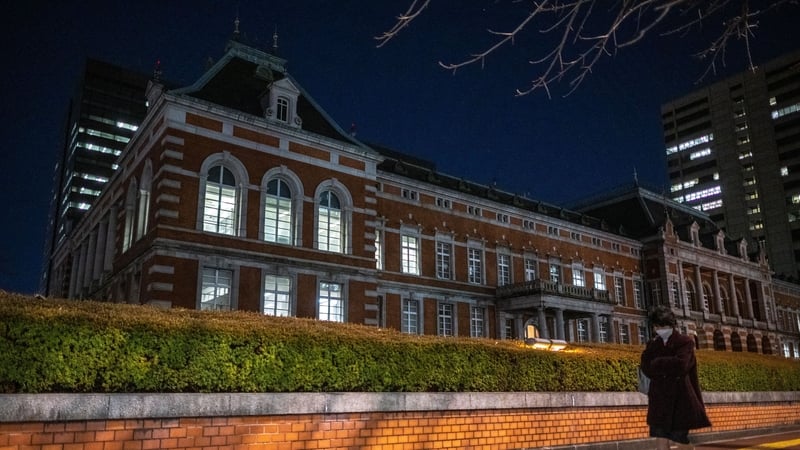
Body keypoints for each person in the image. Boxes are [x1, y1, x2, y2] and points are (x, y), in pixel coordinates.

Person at [640, 305, 711, 449]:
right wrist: (667, 364)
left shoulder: (685, 342)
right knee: (661, 439)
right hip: (659, 400)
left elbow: (682, 365)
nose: (660, 330)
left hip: (681, 400)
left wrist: (658, 363)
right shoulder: (653, 345)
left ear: (672, 325)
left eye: (664, 326)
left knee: (680, 440)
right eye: (657, 326)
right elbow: (646, 367)